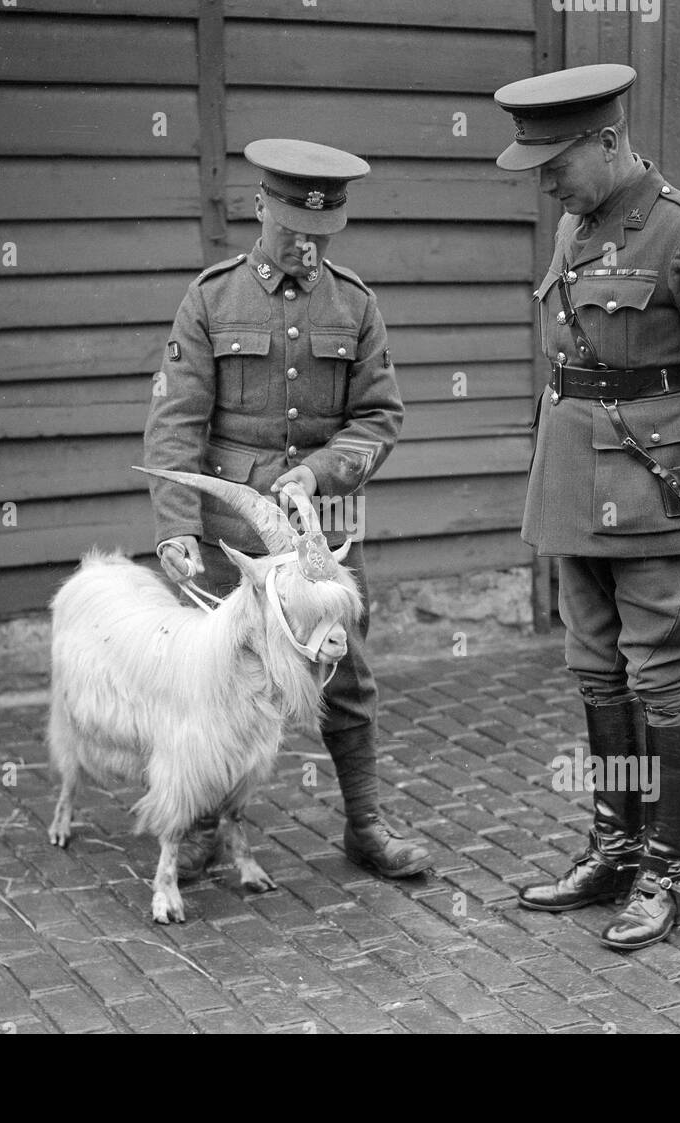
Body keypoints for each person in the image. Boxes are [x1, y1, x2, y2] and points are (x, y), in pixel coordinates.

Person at [492, 65, 680, 949]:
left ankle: (666, 874)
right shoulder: (575, 229)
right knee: (596, 672)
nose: (544, 181)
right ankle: (614, 847)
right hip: (575, 492)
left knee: (661, 677)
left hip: (661, 496)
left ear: (609, 141)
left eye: (556, 161)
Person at [142, 137, 432, 882]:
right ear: (261, 206)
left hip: (321, 537)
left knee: (347, 672)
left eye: (322, 232)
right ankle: (204, 826)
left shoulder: (357, 306)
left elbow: (379, 418)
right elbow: (176, 424)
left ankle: (364, 824)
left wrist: (318, 473)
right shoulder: (210, 300)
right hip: (232, 539)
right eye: (292, 228)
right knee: (216, 684)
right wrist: (176, 526)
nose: (306, 244)